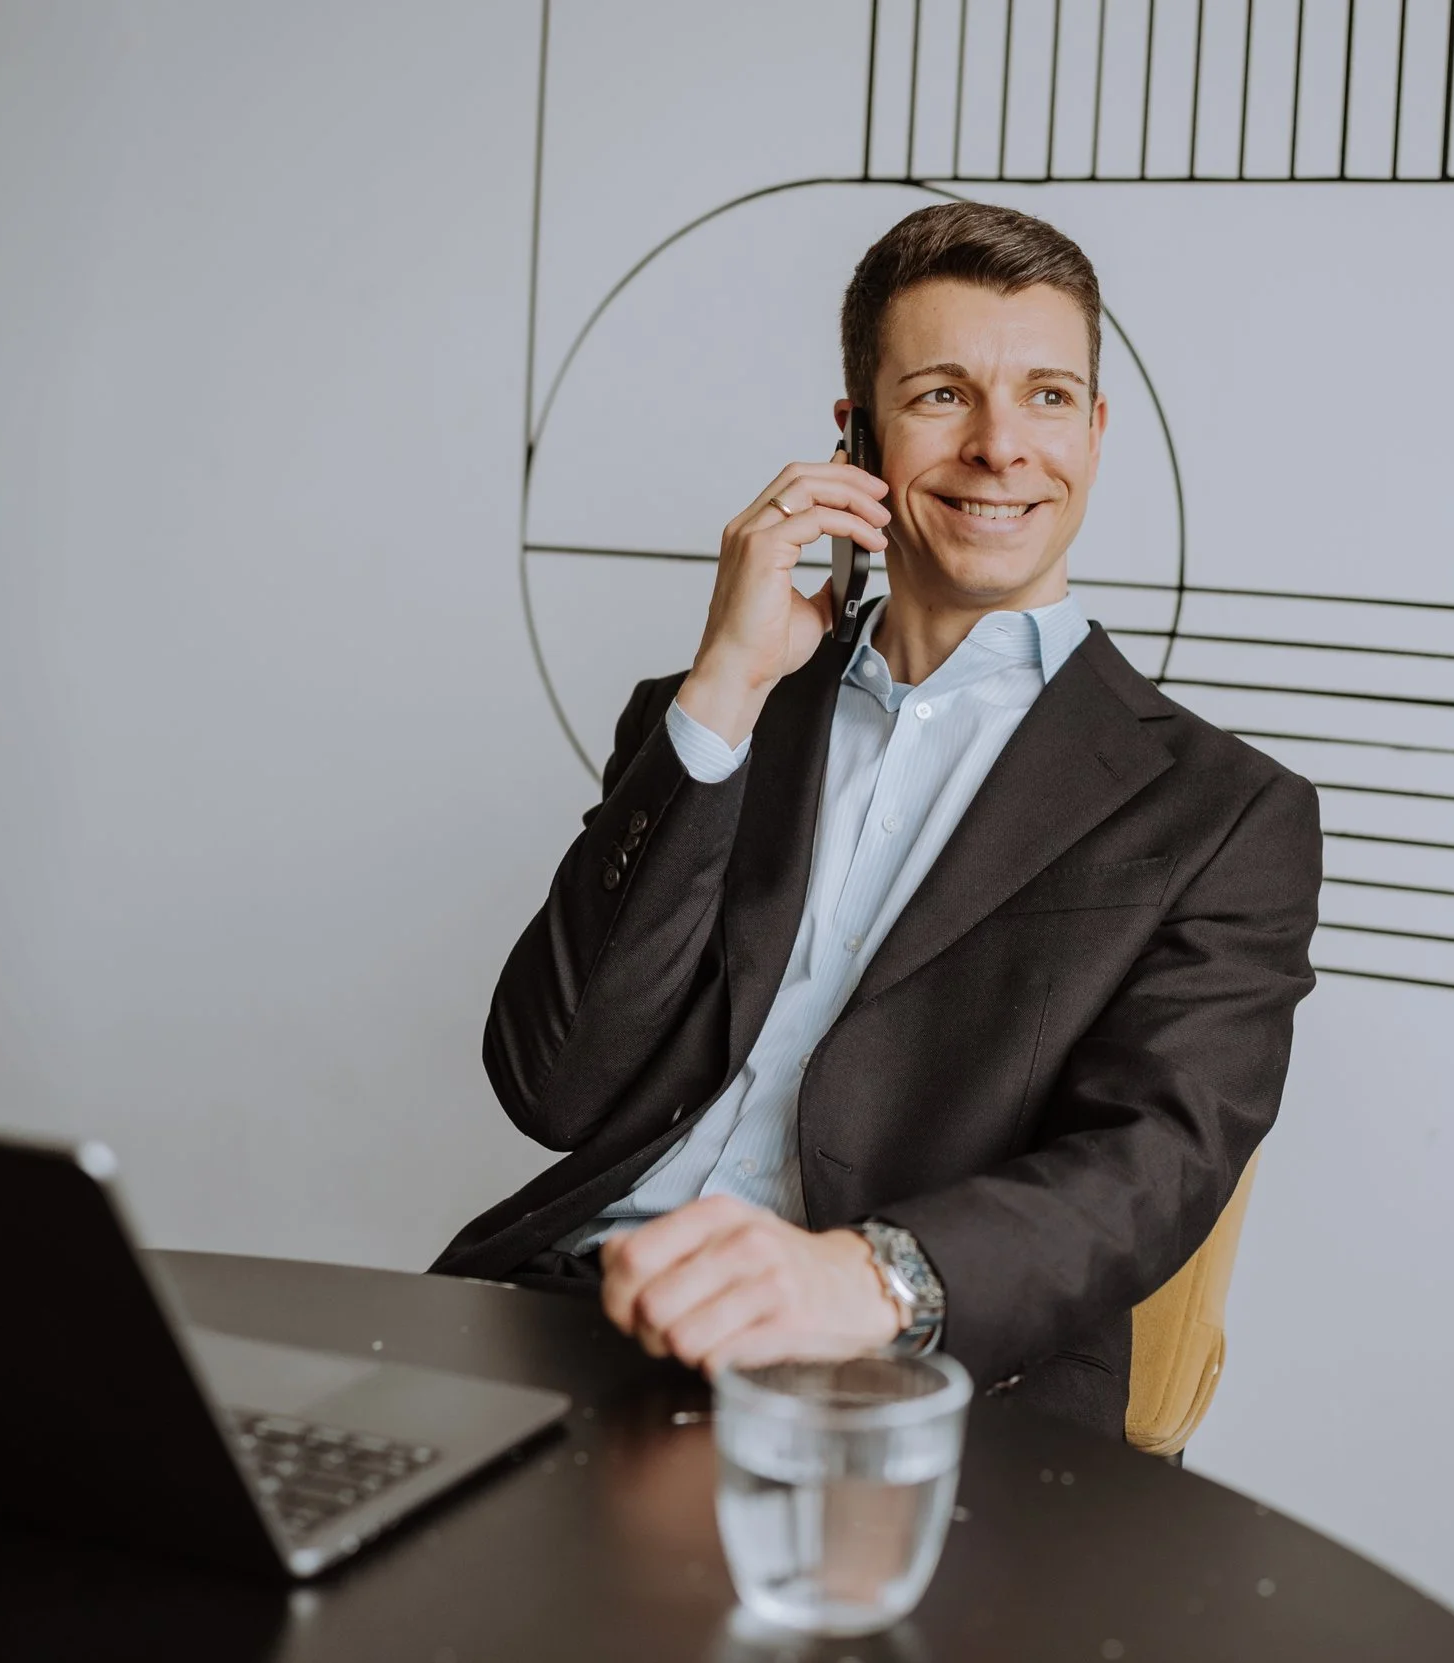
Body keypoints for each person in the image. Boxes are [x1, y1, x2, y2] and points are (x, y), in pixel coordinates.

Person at [432, 202, 1321, 1438]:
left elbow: (1153, 1163)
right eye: (944, 395)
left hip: (914, 1387)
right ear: (855, 436)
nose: (1003, 446)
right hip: (579, 1315)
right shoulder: (714, 716)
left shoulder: (1223, 810)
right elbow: (551, 1087)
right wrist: (723, 688)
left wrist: (870, 1276)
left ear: (1097, 433)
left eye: (1049, 396)